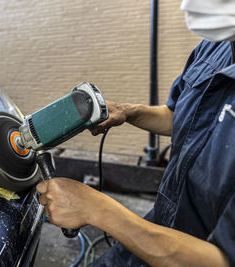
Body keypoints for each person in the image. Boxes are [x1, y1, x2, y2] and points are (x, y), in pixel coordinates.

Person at [36, 0, 235, 266]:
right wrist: (129, 112)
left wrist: (98, 210)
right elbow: (183, 119)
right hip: (155, 230)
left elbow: (221, 261)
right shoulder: (215, 48)